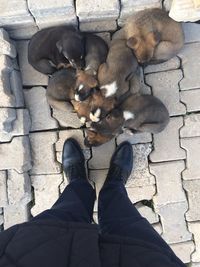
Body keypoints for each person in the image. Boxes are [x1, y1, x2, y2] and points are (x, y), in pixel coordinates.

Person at [0, 138, 185, 267]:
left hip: (33, 256)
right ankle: (114, 184)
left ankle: (78, 181)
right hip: (139, 259)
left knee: (66, 212)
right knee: (124, 219)